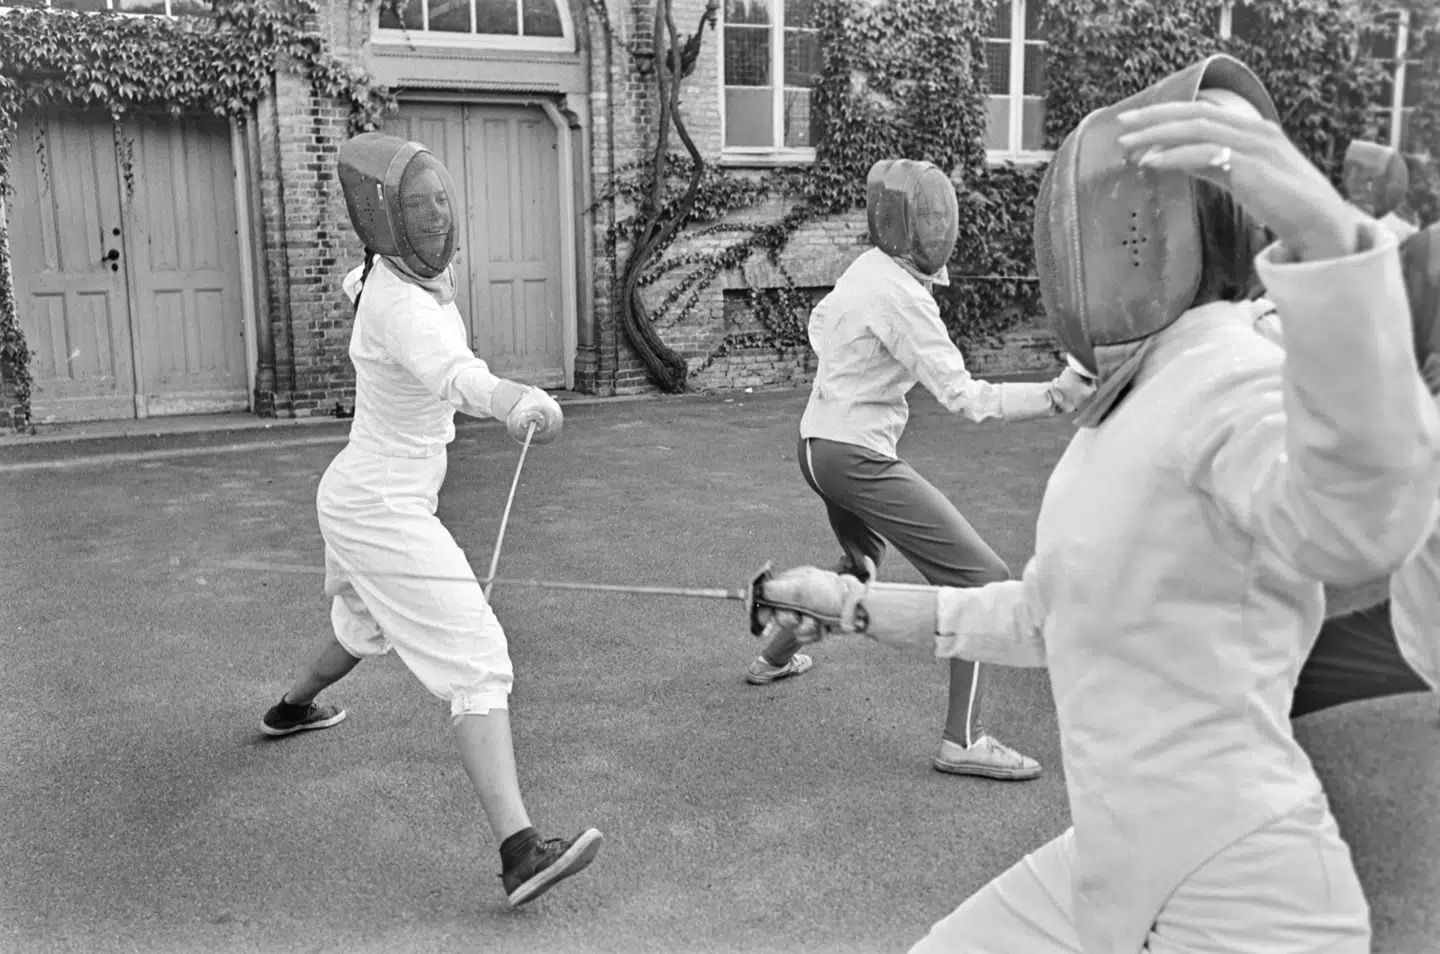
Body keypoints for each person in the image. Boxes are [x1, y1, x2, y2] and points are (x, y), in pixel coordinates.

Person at [751, 55, 1440, 953]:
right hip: (1112, 865)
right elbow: (1042, 615)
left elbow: (1359, 523)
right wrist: (849, 603)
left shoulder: (1229, 373)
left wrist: (1335, 245)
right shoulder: (1137, 395)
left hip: (1242, 895)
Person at [258, 132, 602, 909]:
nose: (437, 216)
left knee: (362, 624)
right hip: (379, 506)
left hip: (363, 493)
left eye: (441, 200)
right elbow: (456, 374)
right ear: (389, 221)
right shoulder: (405, 306)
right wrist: (518, 401)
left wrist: (362, 288)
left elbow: (364, 289)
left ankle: (290, 708)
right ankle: (520, 851)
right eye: (420, 206)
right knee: (478, 660)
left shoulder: (385, 277)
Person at [745, 157, 1093, 781]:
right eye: (928, 218)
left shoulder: (869, 267)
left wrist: (859, 367)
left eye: (939, 216)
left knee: (861, 566)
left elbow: (821, 326)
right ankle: (963, 740)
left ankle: (773, 656)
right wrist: (1056, 395)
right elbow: (965, 396)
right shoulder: (902, 295)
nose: (939, 228)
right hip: (853, 456)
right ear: (904, 226)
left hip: (816, 445)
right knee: (982, 580)